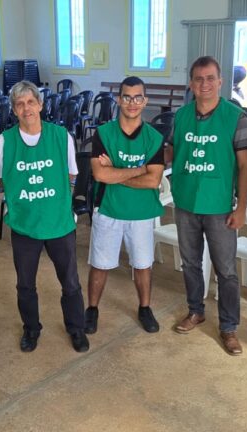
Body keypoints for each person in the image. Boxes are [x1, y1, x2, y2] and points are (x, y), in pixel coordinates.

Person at [0, 80, 89, 353]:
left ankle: (76, 328)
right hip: (25, 225)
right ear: (13, 109)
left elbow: (72, 175)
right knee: (25, 284)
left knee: (70, 281)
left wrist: (55, 200)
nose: (26, 108)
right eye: (20, 104)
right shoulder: (4, 142)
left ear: (41, 104)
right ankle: (31, 329)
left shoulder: (61, 137)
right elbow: (0, 180)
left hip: (59, 223)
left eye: (31, 102)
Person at [167, 56, 247, 355]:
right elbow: (172, 153)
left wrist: (241, 208)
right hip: (186, 202)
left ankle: (229, 327)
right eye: (198, 79)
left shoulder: (235, 116)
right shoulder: (181, 116)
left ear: (220, 81)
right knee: (190, 263)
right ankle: (196, 311)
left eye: (210, 78)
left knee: (226, 269)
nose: (204, 84)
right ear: (191, 84)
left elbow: (244, 166)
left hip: (219, 207)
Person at [84, 76, 165, 334]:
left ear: (145, 101)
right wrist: (139, 169)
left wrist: (118, 171)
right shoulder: (104, 133)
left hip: (141, 212)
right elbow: (100, 175)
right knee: (100, 263)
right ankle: (92, 309)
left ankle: (145, 308)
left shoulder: (154, 137)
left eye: (138, 97)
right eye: (127, 97)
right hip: (108, 208)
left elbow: (153, 180)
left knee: (143, 264)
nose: (132, 103)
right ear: (119, 100)